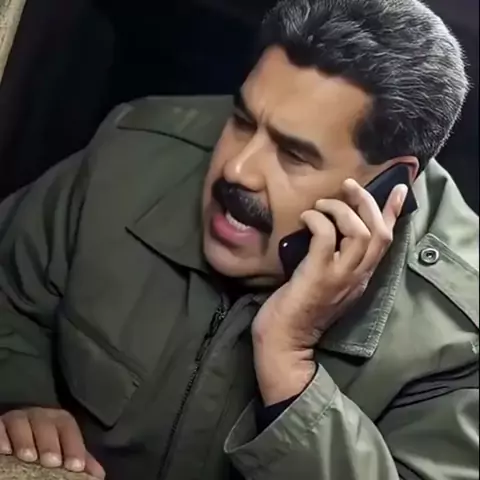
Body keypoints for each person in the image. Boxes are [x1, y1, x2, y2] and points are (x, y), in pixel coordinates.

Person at [0, 0, 478, 479]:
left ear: (388, 188)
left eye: (293, 154)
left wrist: (290, 372)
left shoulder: (459, 338)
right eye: (243, 121)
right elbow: (10, 290)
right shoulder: (132, 152)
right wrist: (21, 393)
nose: (237, 168)